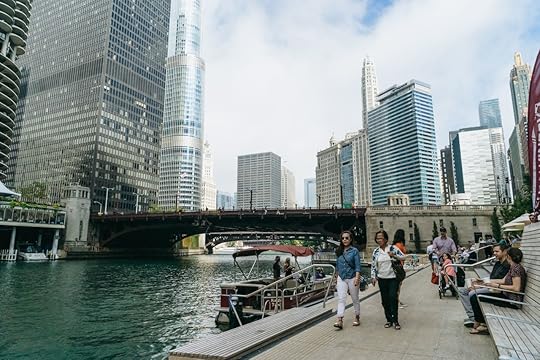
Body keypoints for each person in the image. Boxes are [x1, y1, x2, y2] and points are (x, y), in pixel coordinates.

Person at [469, 247, 526, 334]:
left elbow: (516, 288)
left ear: (508, 256)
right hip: (506, 296)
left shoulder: (515, 268)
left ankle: (480, 323)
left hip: (512, 301)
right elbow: (503, 280)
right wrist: (483, 281)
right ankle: (480, 322)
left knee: (475, 297)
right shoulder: (514, 267)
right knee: (475, 296)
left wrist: (498, 286)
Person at [459, 241, 510, 327]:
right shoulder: (497, 263)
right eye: (494, 251)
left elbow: (500, 282)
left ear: (504, 252)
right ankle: (472, 316)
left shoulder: (507, 265)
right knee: (463, 290)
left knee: (472, 293)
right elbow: (492, 278)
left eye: (497, 251)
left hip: (497, 290)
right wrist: (480, 281)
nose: (494, 253)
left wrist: (479, 286)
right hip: (490, 286)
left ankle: (475, 318)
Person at [371, 230, 407, 330]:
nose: (379, 240)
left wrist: (394, 255)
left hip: (393, 278)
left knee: (392, 297)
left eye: (381, 238)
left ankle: (395, 320)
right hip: (382, 279)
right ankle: (388, 320)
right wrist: (373, 277)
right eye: (377, 238)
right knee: (385, 301)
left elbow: (403, 257)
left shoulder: (393, 248)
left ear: (386, 239)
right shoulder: (376, 251)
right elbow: (373, 265)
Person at [333, 230, 362, 330]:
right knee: (341, 298)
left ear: (350, 239)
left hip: (352, 277)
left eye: (347, 238)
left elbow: (358, 266)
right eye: (343, 238)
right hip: (341, 278)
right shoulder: (338, 251)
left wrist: (357, 278)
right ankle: (339, 319)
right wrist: (336, 277)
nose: (344, 240)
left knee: (355, 299)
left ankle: (357, 316)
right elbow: (337, 265)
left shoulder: (354, 251)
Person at [393, 229, 408, 309]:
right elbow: (402, 257)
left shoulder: (395, 245)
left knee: (397, 285)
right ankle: (396, 302)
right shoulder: (400, 245)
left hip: (398, 267)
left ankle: (397, 300)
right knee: (397, 286)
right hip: (399, 268)